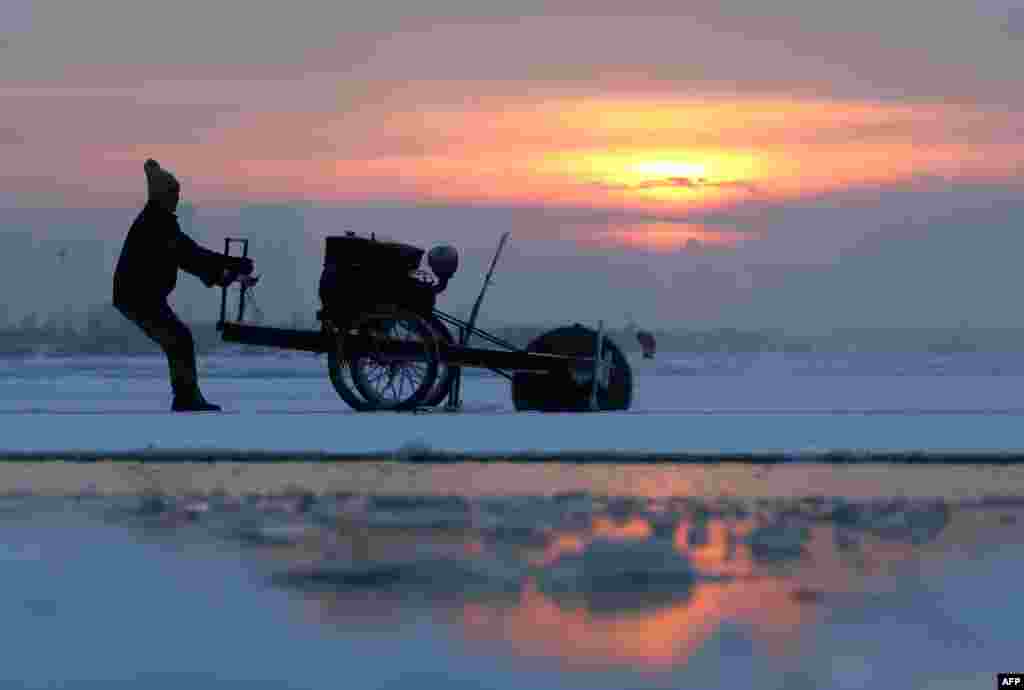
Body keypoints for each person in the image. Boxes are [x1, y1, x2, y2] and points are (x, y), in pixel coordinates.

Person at [113, 159, 254, 412]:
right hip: (138, 296)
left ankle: (187, 396)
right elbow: (190, 255)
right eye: (174, 194)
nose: (177, 199)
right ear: (161, 195)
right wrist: (230, 264)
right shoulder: (157, 224)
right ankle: (186, 398)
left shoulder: (160, 221)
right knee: (179, 338)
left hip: (141, 295)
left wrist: (225, 271)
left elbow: (189, 256)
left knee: (178, 339)